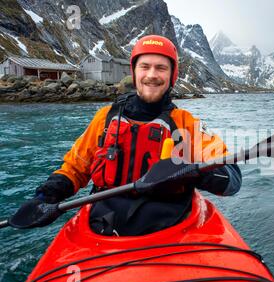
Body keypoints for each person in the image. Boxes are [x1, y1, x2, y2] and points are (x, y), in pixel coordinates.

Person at [15, 35, 242, 235]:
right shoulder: (105, 118)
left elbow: (232, 181)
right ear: (134, 72)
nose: (152, 75)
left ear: (173, 76)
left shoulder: (187, 124)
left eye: (161, 68)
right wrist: (46, 197)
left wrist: (191, 171)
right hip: (103, 225)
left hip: (170, 226)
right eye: (145, 66)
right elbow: (75, 168)